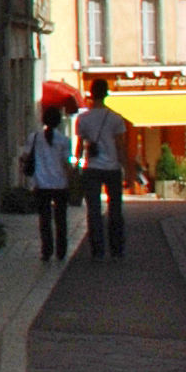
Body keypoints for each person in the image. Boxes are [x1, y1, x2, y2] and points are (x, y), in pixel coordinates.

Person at [72, 76, 133, 262]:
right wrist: (128, 171)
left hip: (93, 168)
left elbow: (80, 146)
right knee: (115, 210)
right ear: (106, 94)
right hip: (112, 167)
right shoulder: (115, 119)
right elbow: (121, 146)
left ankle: (97, 251)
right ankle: (117, 250)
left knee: (93, 210)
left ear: (91, 94)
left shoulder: (83, 119)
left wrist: (76, 166)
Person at [24, 104, 74, 262]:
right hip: (60, 184)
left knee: (44, 218)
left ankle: (46, 250)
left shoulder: (34, 137)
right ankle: (61, 250)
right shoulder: (64, 140)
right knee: (61, 219)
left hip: (41, 183)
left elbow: (25, 156)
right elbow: (67, 162)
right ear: (59, 122)